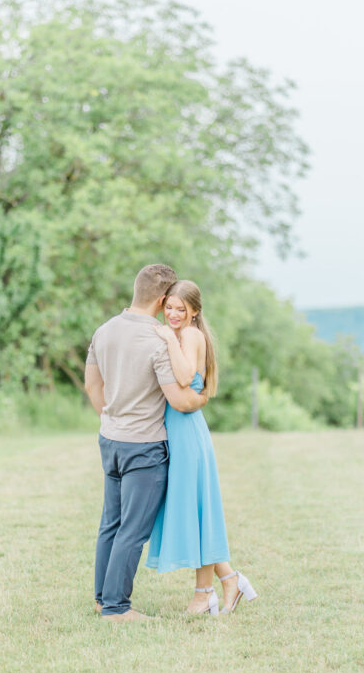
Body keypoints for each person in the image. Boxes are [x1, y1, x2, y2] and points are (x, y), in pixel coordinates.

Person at [85, 265, 209, 623]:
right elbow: (180, 400)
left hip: (110, 439)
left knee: (111, 523)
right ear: (161, 300)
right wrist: (203, 397)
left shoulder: (104, 330)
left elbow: (92, 385)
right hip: (144, 447)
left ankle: (102, 599)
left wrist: (113, 419)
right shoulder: (158, 339)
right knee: (133, 529)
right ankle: (116, 608)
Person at [146, 279, 257, 615]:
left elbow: (184, 377)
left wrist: (169, 337)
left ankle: (204, 593)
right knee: (194, 511)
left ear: (194, 311)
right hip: (177, 431)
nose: (173, 314)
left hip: (188, 434)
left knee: (198, 509)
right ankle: (230, 579)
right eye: (169, 308)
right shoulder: (178, 333)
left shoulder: (191, 336)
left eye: (181, 309)